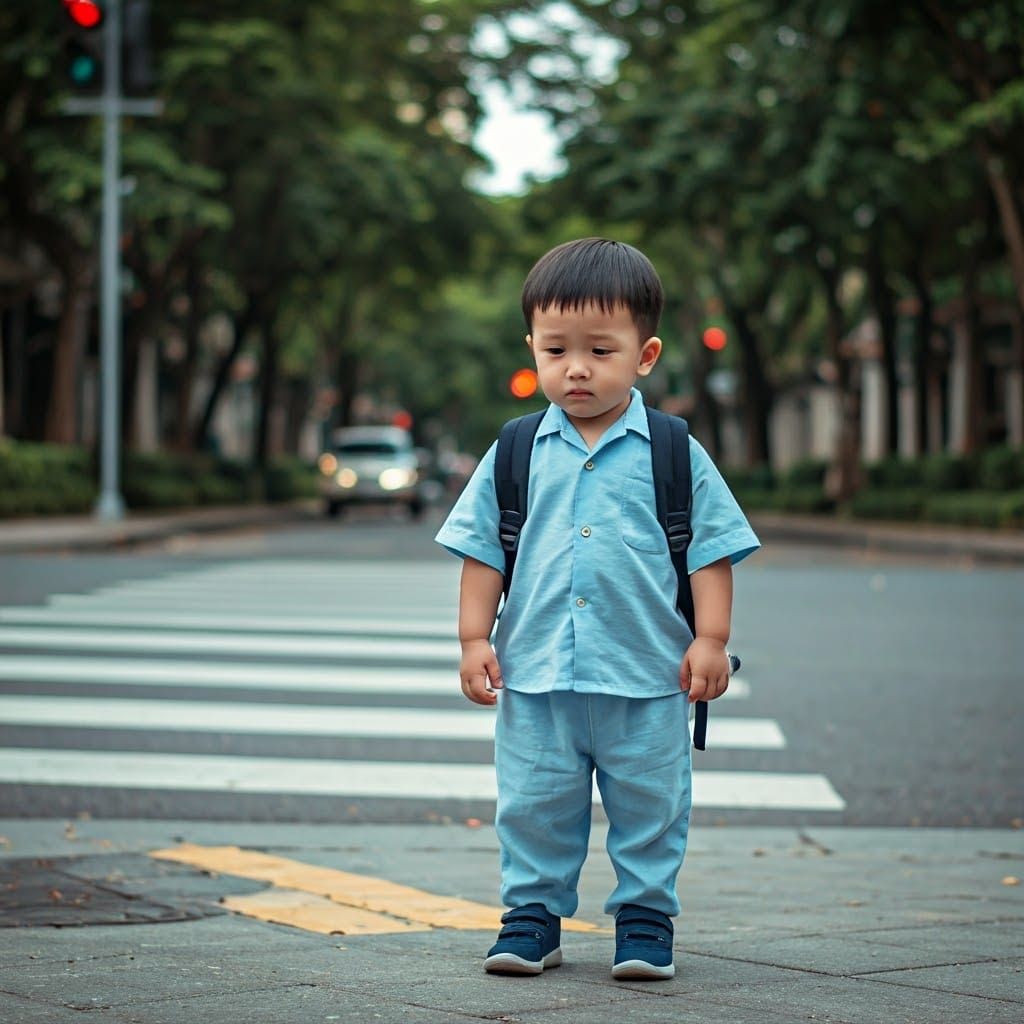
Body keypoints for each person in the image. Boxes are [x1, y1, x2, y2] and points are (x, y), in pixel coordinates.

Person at [434, 237, 760, 980]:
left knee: (652, 806)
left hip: (647, 676)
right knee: (532, 804)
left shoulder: (673, 450)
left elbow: (708, 550)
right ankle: (532, 919)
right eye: (556, 350)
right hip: (538, 674)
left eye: (599, 351)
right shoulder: (516, 449)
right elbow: (484, 550)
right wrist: (471, 639)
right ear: (533, 351)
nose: (575, 368)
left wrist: (711, 639)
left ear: (644, 356)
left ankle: (645, 921)